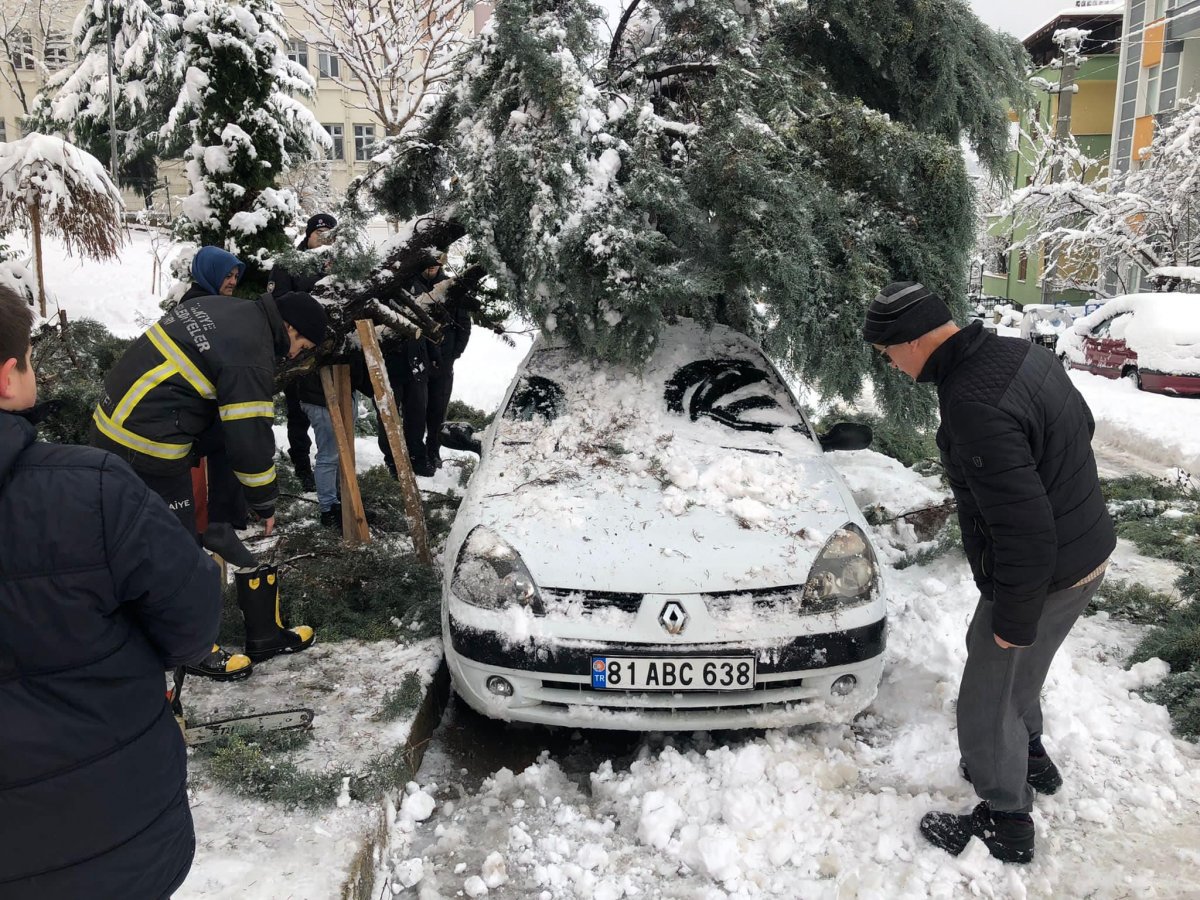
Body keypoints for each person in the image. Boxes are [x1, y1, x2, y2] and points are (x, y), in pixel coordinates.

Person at [862, 281, 1116, 864]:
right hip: (1087, 548)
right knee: (1017, 663)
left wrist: (1014, 616)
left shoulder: (973, 403)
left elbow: (1024, 528)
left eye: (888, 353)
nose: (892, 365)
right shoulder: (1019, 353)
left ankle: (1004, 818)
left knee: (990, 679)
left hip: (1046, 563)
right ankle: (1027, 754)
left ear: (915, 340)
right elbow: (1081, 422)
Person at [0, 285, 221, 899]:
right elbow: (192, 620)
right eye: (29, 359)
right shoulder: (91, 492)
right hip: (107, 840)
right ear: (7, 379)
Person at [90, 289, 329, 680]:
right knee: (177, 551)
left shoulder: (227, 309)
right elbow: (249, 441)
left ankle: (225, 546)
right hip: (144, 442)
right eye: (302, 344)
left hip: (123, 418)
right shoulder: (252, 355)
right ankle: (192, 650)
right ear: (289, 327)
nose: (296, 354)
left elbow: (222, 424)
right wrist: (265, 501)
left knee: (186, 523)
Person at [269, 212, 338, 492]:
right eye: (317, 234)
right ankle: (301, 466)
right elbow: (278, 304)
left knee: (329, 412)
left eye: (328, 235)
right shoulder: (288, 264)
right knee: (298, 414)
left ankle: (331, 466)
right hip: (298, 352)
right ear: (308, 235)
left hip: (329, 353)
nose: (322, 240)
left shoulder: (338, 263)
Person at [415, 253, 471, 470]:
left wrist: (454, 354)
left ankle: (434, 450)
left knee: (438, 410)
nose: (432, 268)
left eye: (436, 265)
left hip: (444, 360)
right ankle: (418, 453)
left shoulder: (450, 287)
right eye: (428, 264)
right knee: (418, 410)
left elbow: (464, 324)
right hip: (419, 360)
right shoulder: (412, 286)